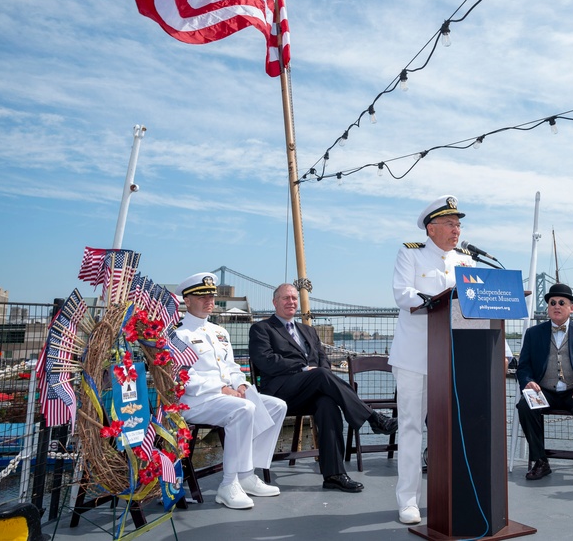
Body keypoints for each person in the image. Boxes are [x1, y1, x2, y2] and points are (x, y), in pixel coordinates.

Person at [248, 283, 398, 493]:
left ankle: (334, 475)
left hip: (309, 389)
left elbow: (323, 360)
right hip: (280, 392)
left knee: (328, 404)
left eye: (294, 298)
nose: (291, 302)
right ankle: (373, 418)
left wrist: (316, 371)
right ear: (274, 302)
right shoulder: (261, 329)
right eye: (285, 298)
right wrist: (304, 369)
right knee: (319, 374)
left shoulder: (307, 330)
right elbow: (265, 361)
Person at [389, 195, 476, 525]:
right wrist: (438, 300)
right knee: (411, 429)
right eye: (451, 224)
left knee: (454, 431)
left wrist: (506, 352)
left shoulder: (467, 260)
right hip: (415, 358)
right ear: (431, 228)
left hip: (456, 357)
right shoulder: (410, 254)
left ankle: (451, 494)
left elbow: (482, 304)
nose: (457, 230)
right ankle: (408, 499)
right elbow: (403, 294)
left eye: (458, 224)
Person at [174, 272, 288, 510]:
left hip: (224, 398)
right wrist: (222, 388)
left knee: (277, 406)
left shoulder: (219, 332)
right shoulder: (178, 334)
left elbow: (232, 367)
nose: (209, 301)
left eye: (212, 296)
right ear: (187, 300)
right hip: (195, 402)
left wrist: (241, 384)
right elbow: (183, 377)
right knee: (243, 408)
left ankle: (247, 475)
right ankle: (228, 484)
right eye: (202, 296)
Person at [516, 282, 573, 487]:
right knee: (525, 406)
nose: (556, 306)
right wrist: (528, 381)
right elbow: (523, 367)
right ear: (548, 308)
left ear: (571, 307)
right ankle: (540, 461)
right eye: (552, 302)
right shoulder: (533, 333)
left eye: (561, 302)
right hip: (545, 390)